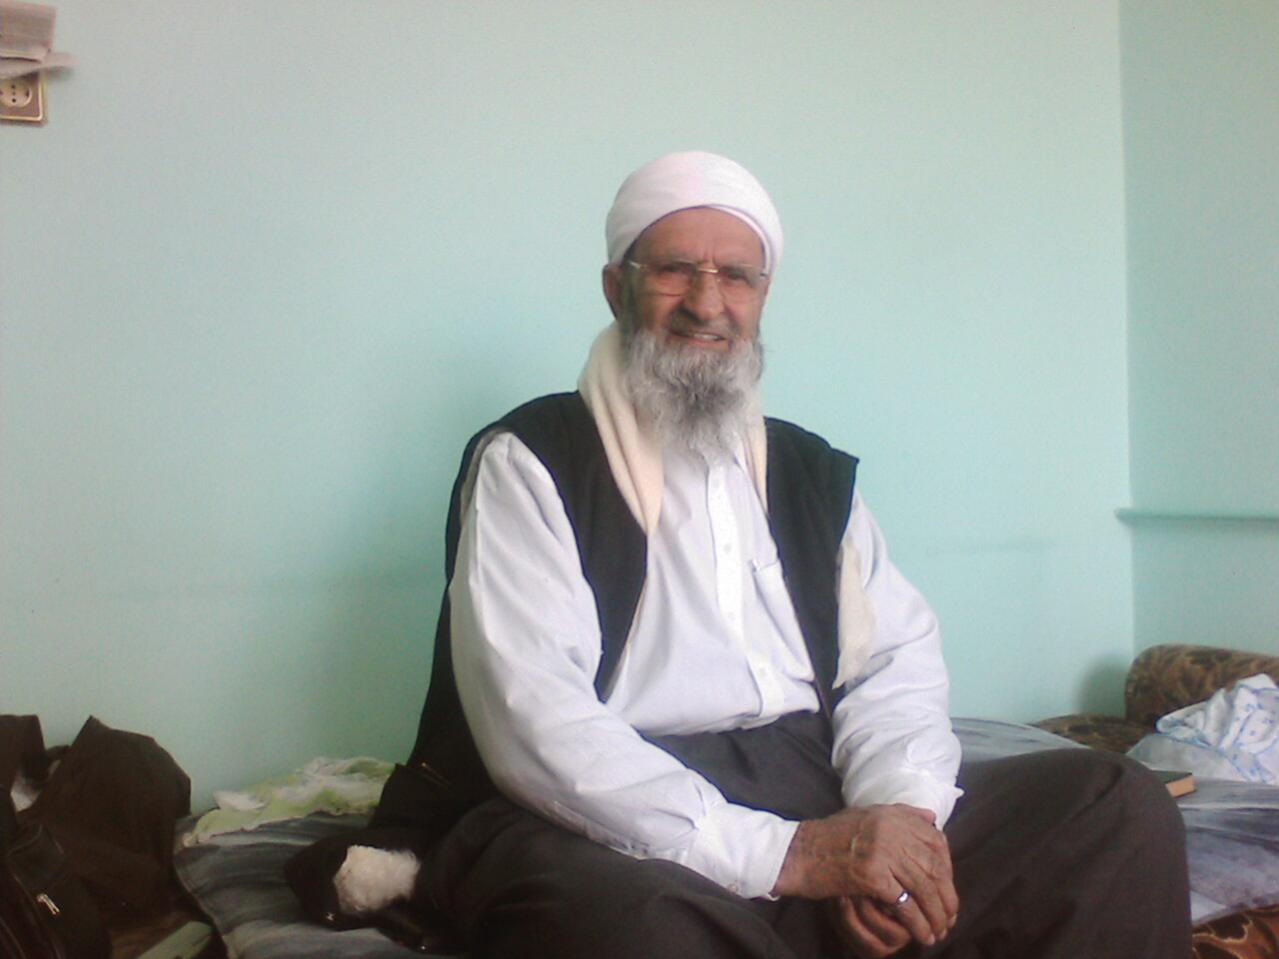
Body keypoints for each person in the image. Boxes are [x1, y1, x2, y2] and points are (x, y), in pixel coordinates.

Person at [295, 151, 1192, 959]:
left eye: (736, 275)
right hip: (598, 813)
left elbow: (890, 663)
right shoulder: (531, 459)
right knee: (636, 928)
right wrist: (791, 856)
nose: (707, 301)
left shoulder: (807, 471)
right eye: (673, 270)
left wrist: (894, 823)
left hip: (812, 777)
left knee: (1112, 806)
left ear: (762, 295)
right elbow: (539, 725)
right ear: (615, 288)